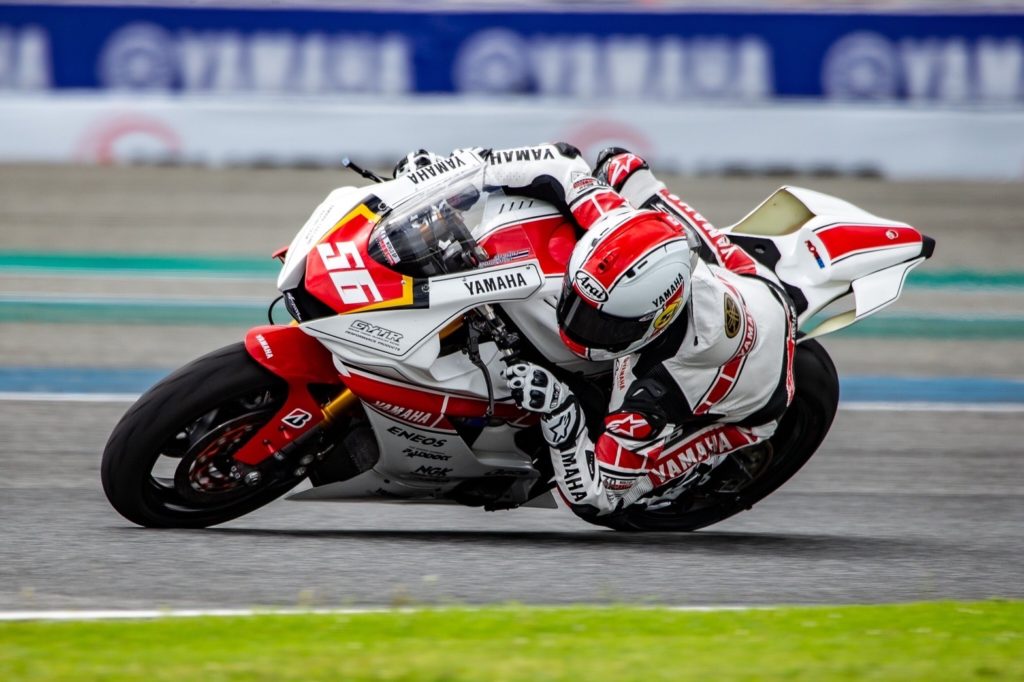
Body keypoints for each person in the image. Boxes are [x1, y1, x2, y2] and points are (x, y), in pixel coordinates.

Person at [397, 143, 796, 519]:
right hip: (745, 277)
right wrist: (446, 174)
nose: (577, 325)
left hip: (758, 403)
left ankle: (708, 465)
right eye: (577, 304)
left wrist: (560, 410)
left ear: (654, 323)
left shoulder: (658, 389)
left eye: (602, 324)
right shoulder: (612, 219)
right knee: (618, 164)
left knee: (622, 492)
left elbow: (596, 496)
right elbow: (559, 161)